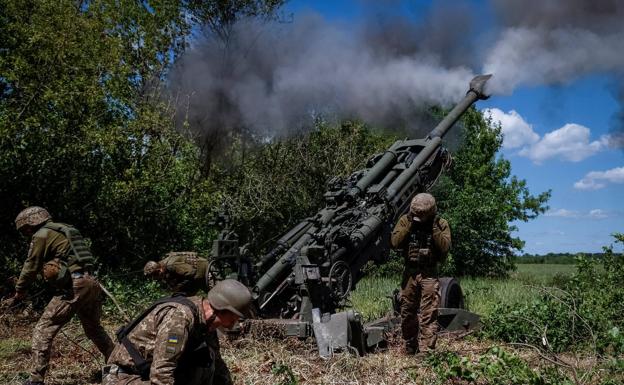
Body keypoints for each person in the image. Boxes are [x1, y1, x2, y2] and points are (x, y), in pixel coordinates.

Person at [9, 206, 113, 385]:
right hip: (91, 282)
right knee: (94, 328)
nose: (25, 233)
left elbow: (31, 265)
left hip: (74, 285)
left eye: (25, 229)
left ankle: (36, 379)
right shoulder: (65, 229)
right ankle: (118, 365)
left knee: (43, 329)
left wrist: (19, 291)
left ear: (31, 222)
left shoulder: (41, 234)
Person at [103, 279, 252, 385]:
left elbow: (218, 366)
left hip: (146, 373)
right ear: (219, 310)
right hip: (123, 376)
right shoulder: (180, 318)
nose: (232, 325)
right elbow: (162, 372)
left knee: (207, 359)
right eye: (232, 320)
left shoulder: (206, 323)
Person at [390, 193, 451, 355]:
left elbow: (445, 247)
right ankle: (410, 347)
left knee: (429, 314)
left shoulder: (440, 224)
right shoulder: (405, 221)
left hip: (429, 273)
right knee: (407, 311)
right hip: (410, 273)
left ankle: (426, 352)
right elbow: (395, 243)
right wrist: (410, 225)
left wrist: (433, 228)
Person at [143, 251, 209, 295]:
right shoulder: (162, 266)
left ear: (159, 271)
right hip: (198, 275)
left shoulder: (171, 265)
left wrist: (180, 286)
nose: (156, 278)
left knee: (216, 295)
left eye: (155, 276)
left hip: (206, 270)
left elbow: (191, 272)